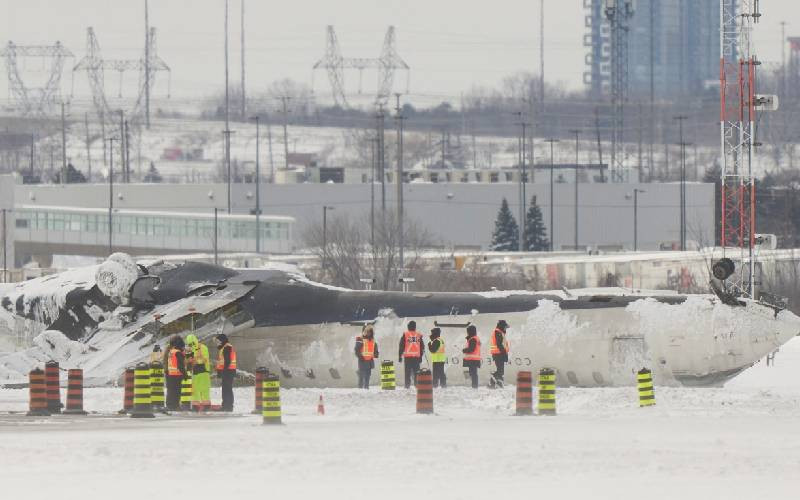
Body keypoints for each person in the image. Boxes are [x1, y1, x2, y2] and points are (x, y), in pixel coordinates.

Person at [186, 334, 211, 411]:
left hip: (204, 372)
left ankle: (206, 405)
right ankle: (195, 405)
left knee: (204, 389)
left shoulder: (203, 348)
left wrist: (195, 361)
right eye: (189, 344)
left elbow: (205, 359)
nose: (191, 345)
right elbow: (188, 361)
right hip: (195, 372)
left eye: (191, 343)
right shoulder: (190, 350)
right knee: (195, 389)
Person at [398, 320, 424, 388]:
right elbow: (422, 347)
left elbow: (401, 346)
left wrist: (399, 356)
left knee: (407, 373)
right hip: (416, 358)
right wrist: (421, 357)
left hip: (408, 358)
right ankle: (417, 386)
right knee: (417, 373)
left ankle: (407, 386)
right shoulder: (418, 335)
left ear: (408, 327)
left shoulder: (405, 335)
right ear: (415, 327)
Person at [215, 334, 237, 411]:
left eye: (218, 341)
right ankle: (226, 405)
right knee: (226, 388)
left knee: (227, 388)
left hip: (228, 371)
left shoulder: (227, 347)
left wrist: (224, 371)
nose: (217, 343)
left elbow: (227, 361)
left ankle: (228, 406)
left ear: (222, 340)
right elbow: (222, 362)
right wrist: (219, 373)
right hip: (227, 371)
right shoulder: (223, 347)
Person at [165, 335, 187, 411]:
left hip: (171, 374)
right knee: (177, 392)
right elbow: (180, 365)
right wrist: (185, 375)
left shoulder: (171, 351)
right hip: (177, 375)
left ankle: (170, 405)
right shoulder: (178, 353)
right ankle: (175, 406)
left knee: (171, 391)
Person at [354, 325, 379, 389]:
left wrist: (376, 354)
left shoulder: (372, 340)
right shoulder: (360, 339)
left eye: (370, 332)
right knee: (361, 377)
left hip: (369, 361)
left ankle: (366, 388)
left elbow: (375, 349)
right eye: (367, 331)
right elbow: (357, 349)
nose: (368, 333)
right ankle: (360, 389)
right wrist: (360, 357)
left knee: (368, 376)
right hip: (362, 361)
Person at [490, 320, 511, 388]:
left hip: (499, 353)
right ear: (502, 326)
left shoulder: (500, 332)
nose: (505, 329)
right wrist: (504, 353)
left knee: (501, 370)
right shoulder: (497, 332)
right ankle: (494, 378)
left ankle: (497, 383)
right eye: (505, 327)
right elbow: (499, 344)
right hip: (498, 354)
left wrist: (505, 353)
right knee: (500, 370)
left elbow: (502, 344)